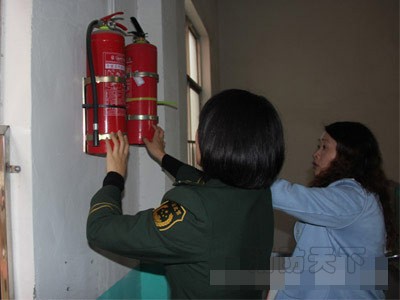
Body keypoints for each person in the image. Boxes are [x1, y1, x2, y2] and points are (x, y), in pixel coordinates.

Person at [149, 121, 393, 299]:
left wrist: (240, 165)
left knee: (223, 274)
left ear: (347, 156)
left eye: (324, 147)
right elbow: (318, 268)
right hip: (324, 279)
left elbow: (288, 196)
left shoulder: (352, 198)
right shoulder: (346, 197)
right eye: (318, 146)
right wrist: (162, 156)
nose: (315, 153)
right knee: (224, 274)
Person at [86, 89, 285, 299]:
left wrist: (115, 176)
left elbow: (100, 229)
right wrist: (162, 156)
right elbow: (208, 183)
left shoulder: (194, 211)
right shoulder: (259, 193)